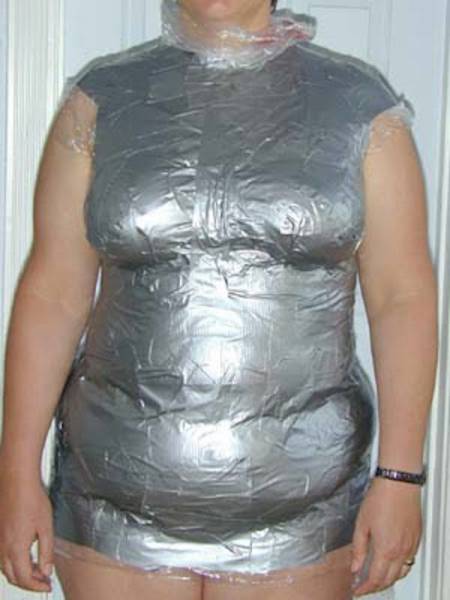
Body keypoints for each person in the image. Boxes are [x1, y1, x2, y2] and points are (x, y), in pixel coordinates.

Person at [0, 0, 438, 598]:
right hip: (112, 504)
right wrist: (16, 472)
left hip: (308, 509)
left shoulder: (362, 109)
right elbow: (52, 294)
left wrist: (400, 477)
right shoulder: (99, 101)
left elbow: (402, 298)